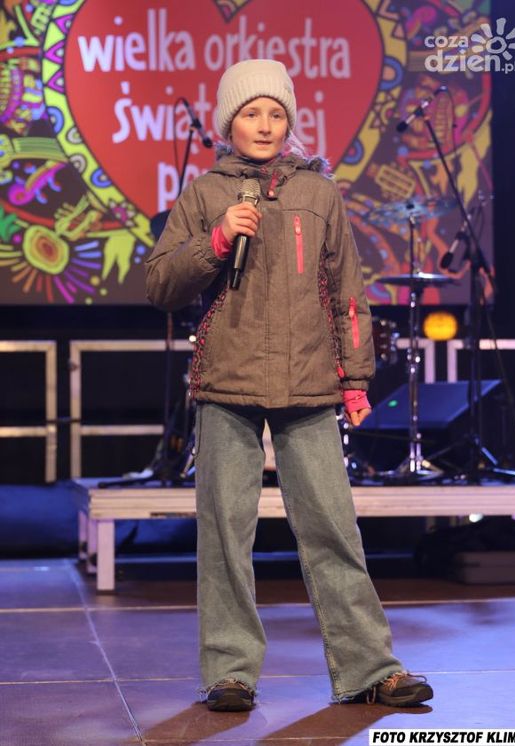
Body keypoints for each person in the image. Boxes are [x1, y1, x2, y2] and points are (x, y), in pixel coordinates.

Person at [145, 59, 433, 712]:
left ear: (290, 122)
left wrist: (356, 379)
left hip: (309, 384)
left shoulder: (319, 193)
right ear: (229, 123)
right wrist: (218, 239)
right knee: (225, 533)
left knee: (333, 527)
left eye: (276, 113)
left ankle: (370, 668)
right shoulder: (205, 194)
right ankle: (230, 672)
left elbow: (348, 292)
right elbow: (160, 284)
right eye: (251, 113)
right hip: (228, 382)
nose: (265, 124)